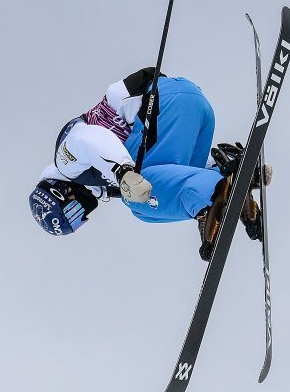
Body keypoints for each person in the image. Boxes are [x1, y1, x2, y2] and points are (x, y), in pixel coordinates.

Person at [29, 68, 267, 259]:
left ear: (60, 191)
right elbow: (172, 173)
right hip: (195, 105)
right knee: (159, 191)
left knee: (139, 203)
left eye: (73, 212)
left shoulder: (65, 163)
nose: (84, 214)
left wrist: (122, 171)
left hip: (161, 106)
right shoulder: (98, 181)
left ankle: (210, 197)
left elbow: (90, 139)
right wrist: (242, 172)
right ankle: (227, 173)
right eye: (77, 222)